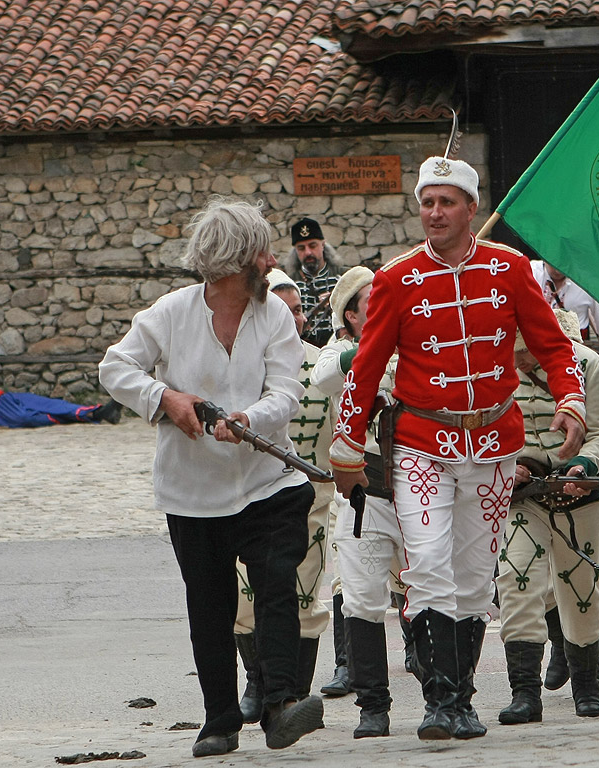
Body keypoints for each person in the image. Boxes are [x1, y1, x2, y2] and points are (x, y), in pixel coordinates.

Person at [329, 155, 587, 741]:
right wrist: (347, 443)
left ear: (472, 209)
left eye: (447, 202)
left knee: (474, 576)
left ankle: (463, 699)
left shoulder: (511, 270)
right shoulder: (395, 278)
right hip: (422, 443)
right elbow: (365, 369)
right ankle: (439, 701)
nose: (435, 212)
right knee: (429, 566)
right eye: (427, 202)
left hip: (496, 443)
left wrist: (571, 399)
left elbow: (551, 345)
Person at [98, 198, 324, 757]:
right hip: (192, 492)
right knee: (209, 604)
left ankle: (280, 703)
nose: (273, 261)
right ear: (235, 260)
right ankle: (219, 719)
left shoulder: (273, 314)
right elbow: (114, 367)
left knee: (275, 583)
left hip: (269, 481)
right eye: (262, 251)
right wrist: (164, 397)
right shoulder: (169, 313)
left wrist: (249, 419)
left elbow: (287, 392)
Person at [496, 308, 599, 722]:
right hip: (522, 496)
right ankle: (524, 691)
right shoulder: (493, 366)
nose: (519, 362)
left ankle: (588, 683)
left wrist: (585, 463)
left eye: (525, 352)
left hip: (581, 496)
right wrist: (509, 464)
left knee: (581, 592)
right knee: (516, 579)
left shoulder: (589, 365)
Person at [233, 269, 332, 725]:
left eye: (297, 309)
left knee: (304, 595)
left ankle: (294, 689)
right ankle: (257, 679)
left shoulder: (321, 365)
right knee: (246, 596)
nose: (293, 317)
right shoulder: (244, 364)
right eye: (284, 309)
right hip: (250, 493)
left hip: (310, 496)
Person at [311, 264, 405, 739]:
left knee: (434, 590)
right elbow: (324, 377)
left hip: (421, 483)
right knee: (364, 597)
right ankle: (373, 705)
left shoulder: (411, 338)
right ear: (350, 316)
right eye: (373, 300)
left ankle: (445, 695)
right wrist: (370, 349)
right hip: (364, 488)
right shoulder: (339, 352)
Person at [532, 260, 599, 383]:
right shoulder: (530, 272)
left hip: (574, 355)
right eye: (553, 263)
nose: (557, 270)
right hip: (535, 354)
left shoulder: (587, 279)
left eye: (562, 263)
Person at [292, 217, 340, 347]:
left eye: (313, 246)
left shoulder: (341, 277)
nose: (308, 252)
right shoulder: (290, 282)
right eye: (301, 248)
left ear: (323, 245)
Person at [0, 387, 121, 427]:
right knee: (30, 418)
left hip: (2, 397)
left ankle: (98, 412)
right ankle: (97, 414)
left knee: (51, 405)